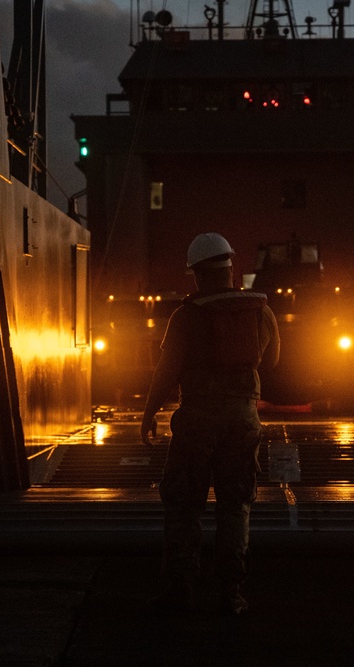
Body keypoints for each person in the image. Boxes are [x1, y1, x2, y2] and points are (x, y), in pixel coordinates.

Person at [141, 232, 280, 615]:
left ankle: (180, 590)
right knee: (235, 506)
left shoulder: (186, 315)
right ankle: (230, 594)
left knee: (184, 504)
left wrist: (150, 412)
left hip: (199, 419)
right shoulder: (260, 310)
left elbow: (166, 370)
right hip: (243, 418)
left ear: (196, 274)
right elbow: (272, 360)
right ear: (232, 267)